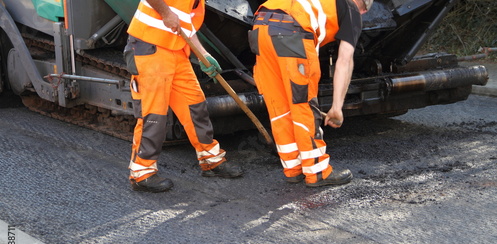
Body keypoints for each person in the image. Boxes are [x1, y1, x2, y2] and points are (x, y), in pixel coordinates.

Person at [248, 0, 373, 187]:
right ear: (362, 7)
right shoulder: (351, 7)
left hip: (261, 25)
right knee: (303, 104)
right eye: (363, 12)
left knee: (279, 105)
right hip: (291, 31)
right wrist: (337, 108)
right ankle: (317, 172)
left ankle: (293, 168)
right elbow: (345, 60)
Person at [124, 0, 243, 192]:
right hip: (150, 48)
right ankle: (142, 173)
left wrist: (203, 54)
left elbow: (185, 27)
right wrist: (166, 13)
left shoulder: (197, 3)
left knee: (196, 107)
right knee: (153, 115)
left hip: (177, 52)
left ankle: (211, 161)